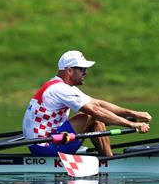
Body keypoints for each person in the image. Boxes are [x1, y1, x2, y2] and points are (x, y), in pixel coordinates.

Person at [22, 50, 151, 157]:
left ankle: (107, 158)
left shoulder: (61, 86)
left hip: (51, 140)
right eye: (82, 69)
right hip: (44, 147)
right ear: (69, 70)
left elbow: (98, 104)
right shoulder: (60, 89)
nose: (85, 73)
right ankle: (108, 160)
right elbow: (95, 111)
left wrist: (133, 113)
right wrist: (132, 124)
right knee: (91, 115)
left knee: (93, 115)